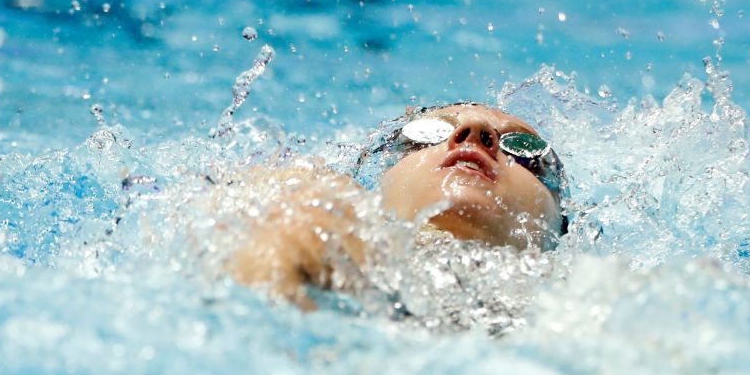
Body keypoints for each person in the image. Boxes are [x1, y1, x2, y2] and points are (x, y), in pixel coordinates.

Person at [221, 103, 569, 312]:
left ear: (561, 227)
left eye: (525, 148)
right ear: (378, 185)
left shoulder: (589, 299)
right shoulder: (324, 214)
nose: (474, 131)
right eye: (428, 133)